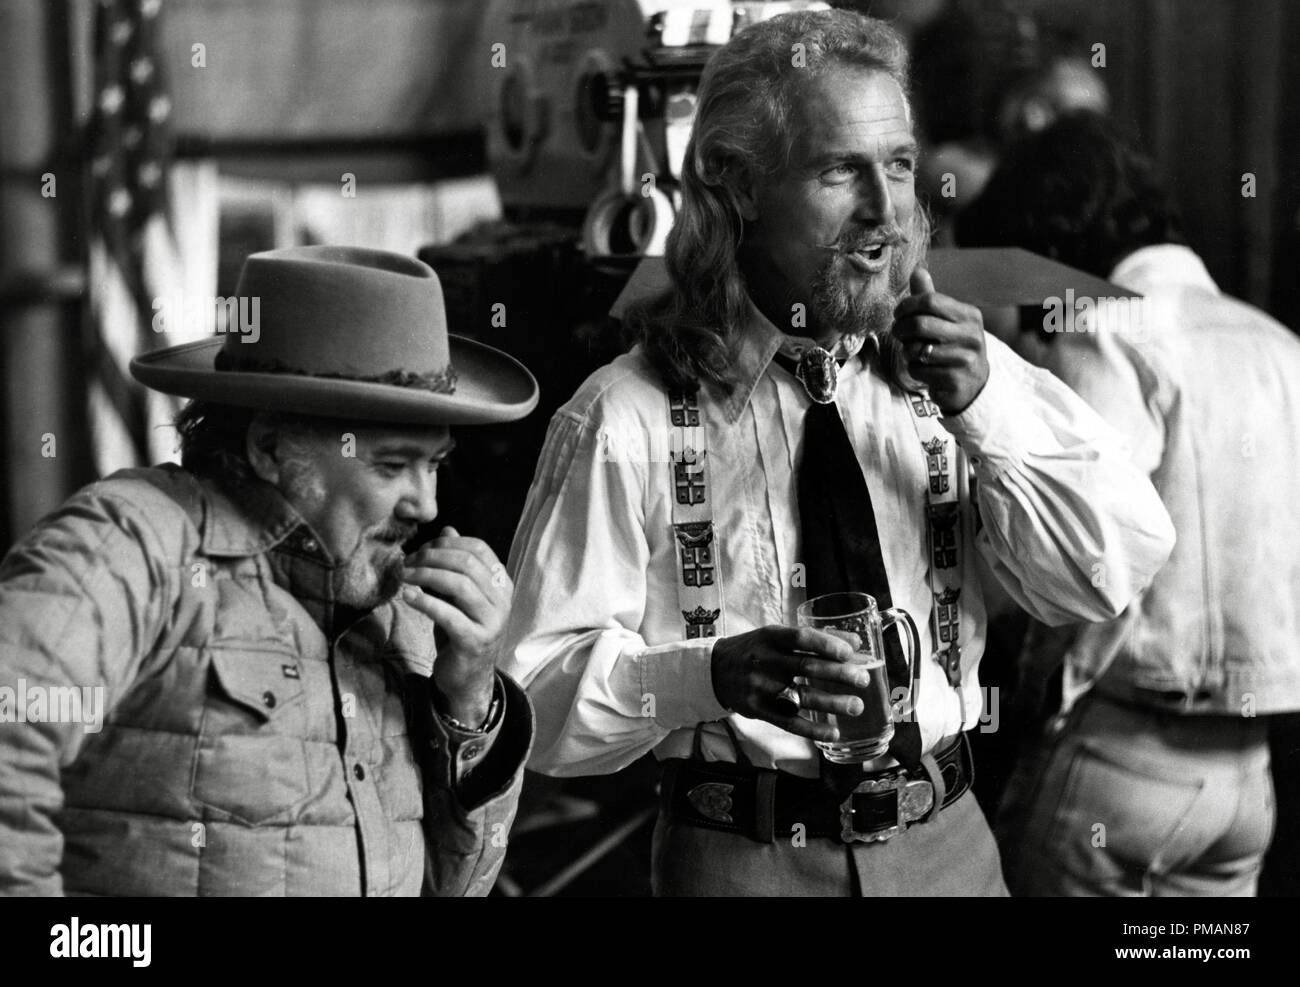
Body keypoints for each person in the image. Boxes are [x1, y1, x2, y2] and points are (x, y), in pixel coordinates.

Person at [501, 9, 1174, 896]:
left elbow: (1111, 567)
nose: (887, 209)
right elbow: (533, 702)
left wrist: (989, 405)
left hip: (950, 848)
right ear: (738, 184)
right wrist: (707, 675)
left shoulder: (965, 377)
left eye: (898, 164)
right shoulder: (626, 414)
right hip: (743, 860)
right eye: (839, 170)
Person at [0, 245, 538, 896]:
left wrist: (470, 699)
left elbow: (455, 886)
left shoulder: (404, 609)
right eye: (393, 466)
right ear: (273, 447)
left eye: (436, 463)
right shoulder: (133, 542)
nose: (426, 504)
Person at [957, 112, 1300, 896]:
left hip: (1120, 762)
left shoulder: (1107, 332)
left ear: (1048, 239)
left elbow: (1077, 551)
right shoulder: (1280, 346)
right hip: (1250, 777)